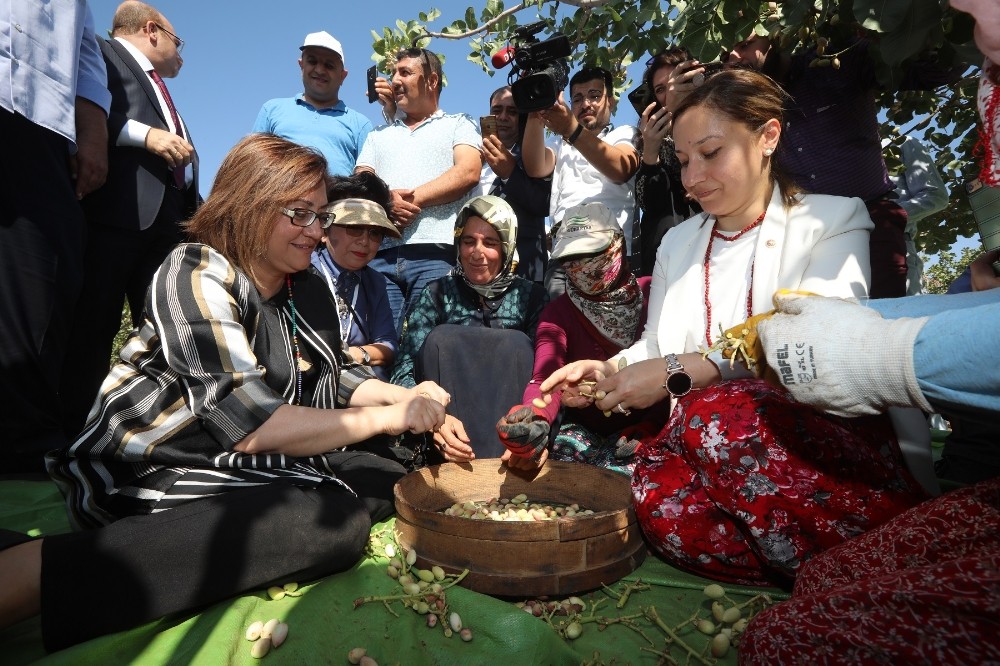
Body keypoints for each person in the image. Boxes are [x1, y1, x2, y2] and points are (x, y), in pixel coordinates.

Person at [0, 134, 450, 651]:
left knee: (387, 471)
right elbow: (251, 425)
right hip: (150, 464)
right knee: (328, 525)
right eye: (299, 213)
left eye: (320, 216)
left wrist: (410, 399)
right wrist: (390, 417)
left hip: (227, 455)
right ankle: (30, 577)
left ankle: (277, 510)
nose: (315, 231)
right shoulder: (195, 269)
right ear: (250, 204)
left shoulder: (297, 288)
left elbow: (325, 380)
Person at [540, 69, 927, 587]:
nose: (693, 176)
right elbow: (656, 344)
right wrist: (608, 368)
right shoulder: (677, 242)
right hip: (709, 445)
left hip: (815, 442)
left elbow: (817, 341)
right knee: (655, 501)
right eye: (681, 160)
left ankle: (871, 548)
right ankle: (824, 560)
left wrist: (685, 373)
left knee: (719, 412)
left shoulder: (833, 219)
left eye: (711, 152)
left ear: (768, 137)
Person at [737, 3, 1000, 659]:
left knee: (787, 640)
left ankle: (914, 483)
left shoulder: (846, 48)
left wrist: (879, 354)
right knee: (828, 576)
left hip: (864, 226)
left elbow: (919, 58)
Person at [61, 1, 201, 437]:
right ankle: (73, 433)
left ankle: (157, 433)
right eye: (179, 42)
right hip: (113, 217)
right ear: (152, 30)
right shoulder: (100, 54)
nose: (182, 54)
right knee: (92, 329)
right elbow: (83, 109)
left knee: (163, 332)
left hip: (167, 225)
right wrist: (147, 135)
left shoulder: (162, 88)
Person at [725, 33, 953, 299]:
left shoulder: (837, 60)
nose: (734, 57)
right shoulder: (751, 110)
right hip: (807, 237)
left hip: (873, 222)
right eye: (727, 56)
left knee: (888, 323)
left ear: (777, 34)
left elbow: (932, 72)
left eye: (744, 45)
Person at [0, 0, 111, 473]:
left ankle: (23, 458)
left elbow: (83, 49)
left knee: (40, 287)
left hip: (41, 122)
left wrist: (93, 132)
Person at [496, 203, 670, 476]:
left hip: (653, 423)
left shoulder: (655, 293)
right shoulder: (557, 313)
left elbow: (673, 362)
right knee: (566, 478)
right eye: (571, 259)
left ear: (617, 246)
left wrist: (650, 427)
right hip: (584, 427)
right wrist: (534, 418)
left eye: (593, 254)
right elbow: (545, 379)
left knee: (633, 478)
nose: (582, 268)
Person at [391, 195, 548, 460]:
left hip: (511, 444)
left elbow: (545, 377)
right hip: (444, 433)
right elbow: (403, 371)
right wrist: (432, 420)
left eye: (490, 243)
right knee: (441, 338)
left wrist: (530, 435)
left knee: (516, 344)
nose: (477, 253)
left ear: (507, 246)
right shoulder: (437, 294)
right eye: (468, 241)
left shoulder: (531, 298)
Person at [356, 47, 482, 333]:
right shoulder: (378, 134)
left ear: (432, 81)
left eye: (405, 72)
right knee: (380, 344)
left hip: (436, 255)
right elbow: (362, 178)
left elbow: (468, 171)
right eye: (393, 73)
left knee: (430, 343)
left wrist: (412, 201)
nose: (395, 80)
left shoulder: (459, 123)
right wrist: (387, 201)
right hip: (380, 256)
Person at [522, 66, 639, 298]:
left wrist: (571, 130)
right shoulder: (560, 145)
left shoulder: (625, 133)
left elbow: (621, 168)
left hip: (612, 254)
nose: (586, 104)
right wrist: (537, 108)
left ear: (612, 102)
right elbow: (535, 167)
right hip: (564, 257)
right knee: (560, 331)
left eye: (594, 95)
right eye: (577, 98)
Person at [312, 172, 400, 381]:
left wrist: (356, 355)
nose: (364, 241)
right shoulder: (301, 273)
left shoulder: (375, 282)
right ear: (324, 231)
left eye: (375, 233)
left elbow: (388, 344)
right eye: (354, 228)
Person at [252, 31, 372, 177]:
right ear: (301, 65)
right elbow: (252, 166)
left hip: (338, 200)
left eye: (329, 65)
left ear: (342, 76)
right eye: (312, 61)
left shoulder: (361, 125)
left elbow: (368, 180)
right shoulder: (271, 110)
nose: (320, 70)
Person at [632, 47, 704, 276]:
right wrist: (651, 149)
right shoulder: (653, 136)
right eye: (661, 89)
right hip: (670, 252)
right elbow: (649, 203)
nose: (670, 93)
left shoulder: (721, 112)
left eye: (675, 81)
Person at [479, 85, 552, 284]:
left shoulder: (538, 157)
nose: (503, 117)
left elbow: (542, 203)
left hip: (522, 275)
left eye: (512, 112)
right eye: (497, 110)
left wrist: (509, 173)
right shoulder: (473, 157)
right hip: (475, 271)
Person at [885, 134, 949, 294]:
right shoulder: (833, 154)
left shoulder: (901, 143)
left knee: (901, 317)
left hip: (893, 248)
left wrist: (885, 217)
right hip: (844, 253)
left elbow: (935, 195)